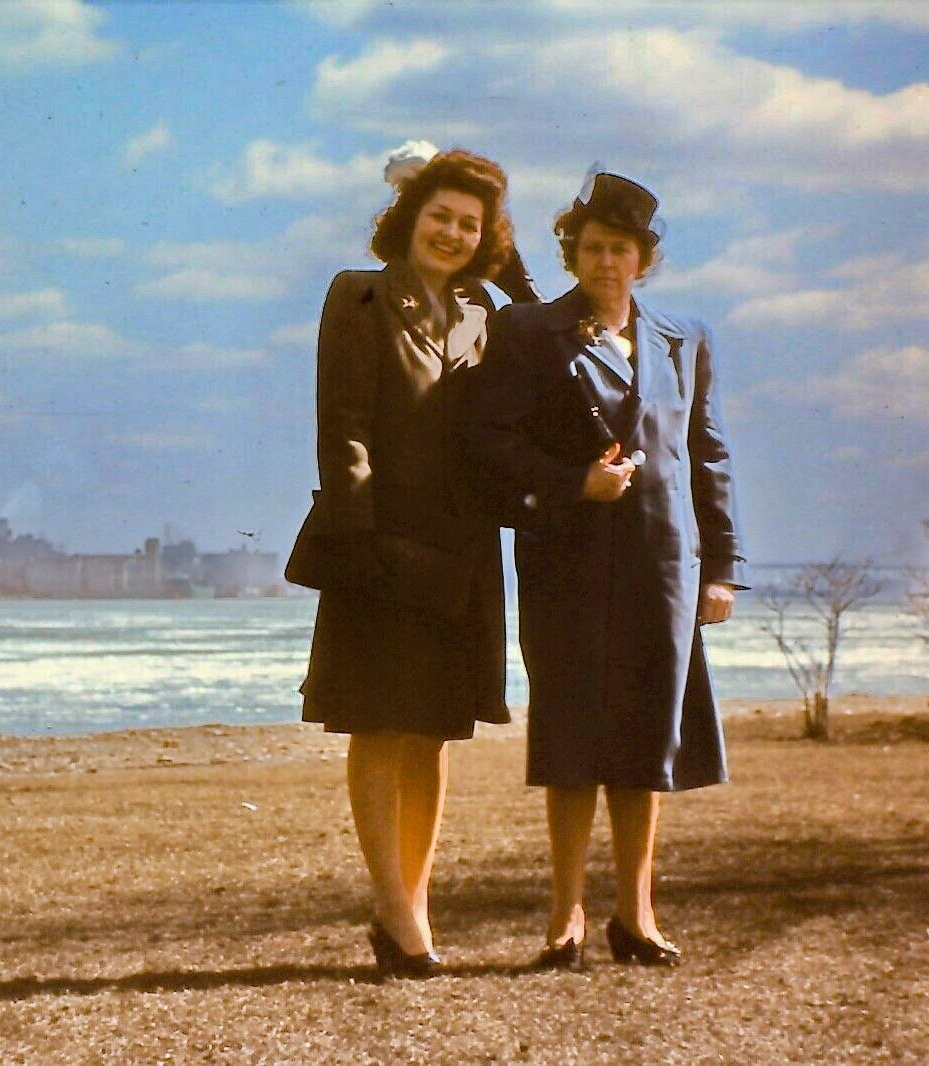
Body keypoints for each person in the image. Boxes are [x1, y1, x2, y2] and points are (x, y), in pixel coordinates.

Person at [460, 169, 747, 971]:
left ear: (644, 259)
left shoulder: (684, 337)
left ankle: (638, 916)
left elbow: (707, 456)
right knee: (572, 739)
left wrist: (720, 567)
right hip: (565, 562)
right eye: (591, 248)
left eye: (621, 249)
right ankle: (565, 917)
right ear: (572, 252)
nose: (605, 262)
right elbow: (492, 442)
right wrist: (571, 483)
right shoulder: (526, 330)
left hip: (664, 565)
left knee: (647, 741)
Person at [286, 147, 533, 979]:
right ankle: (395, 910)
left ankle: (410, 912)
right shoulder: (355, 293)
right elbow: (342, 425)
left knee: (431, 731)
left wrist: (511, 257)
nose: (453, 233)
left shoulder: (483, 310)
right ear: (408, 213)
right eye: (441, 215)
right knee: (379, 724)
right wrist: (359, 546)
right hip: (378, 543)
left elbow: (541, 332)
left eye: (471, 224)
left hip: (462, 550)